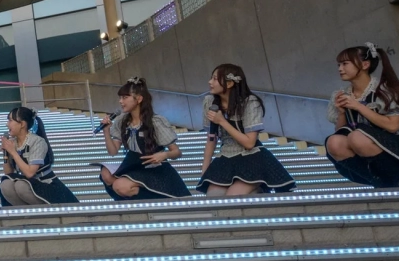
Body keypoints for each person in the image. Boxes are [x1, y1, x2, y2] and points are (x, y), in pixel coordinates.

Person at [325, 42, 399, 187]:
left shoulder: (385, 90)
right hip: (370, 148)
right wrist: (342, 113)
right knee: (334, 142)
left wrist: (358, 106)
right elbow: (341, 133)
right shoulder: (341, 94)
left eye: (345, 64)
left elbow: (393, 126)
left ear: (365, 65)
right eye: (339, 65)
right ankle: (379, 181)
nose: (340, 69)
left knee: (357, 137)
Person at [196, 65, 295, 196]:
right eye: (211, 78)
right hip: (226, 157)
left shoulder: (250, 102)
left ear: (230, 83)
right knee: (213, 198)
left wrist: (222, 121)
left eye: (215, 79)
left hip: (251, 158)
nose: (210, 82)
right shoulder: (209, 102)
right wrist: (205, 169)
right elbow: (211, 138)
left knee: (233, 197)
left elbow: (249, 143)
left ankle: (257, 191)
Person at [95, 77, 191, 200]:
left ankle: (154, 201)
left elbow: (177, 152)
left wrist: (163, 155)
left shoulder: (155, 122)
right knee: (105, 174)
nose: (120, 101)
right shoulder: (122, 120)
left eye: (125, 97)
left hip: (152, 167)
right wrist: (106, 131)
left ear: (139, 99)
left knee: (120, 186)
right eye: (120, 97)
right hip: (132, 164)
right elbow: (113, 151)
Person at [0, 106, 78, 206]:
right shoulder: (13, 143)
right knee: (6, 185)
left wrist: (13, 153)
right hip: (27, 183)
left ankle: (42, 214)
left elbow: (30, 173)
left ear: (22, 124)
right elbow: (9, 173)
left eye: (10, 120)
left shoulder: (37, 141)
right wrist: (6, 154)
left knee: (21, 186)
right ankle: (26, 216)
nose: (7, 124)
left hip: (45, 184)